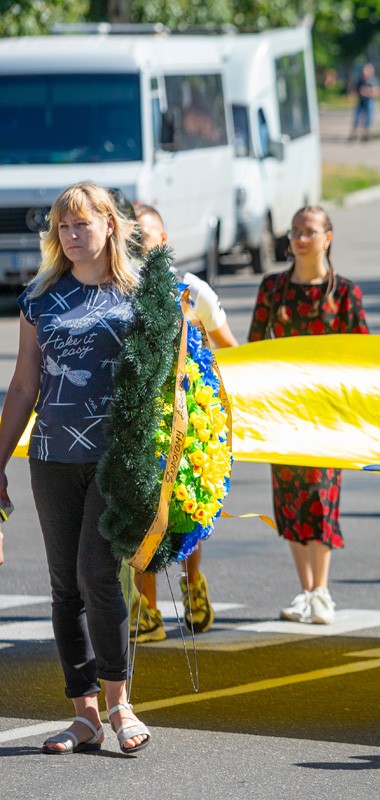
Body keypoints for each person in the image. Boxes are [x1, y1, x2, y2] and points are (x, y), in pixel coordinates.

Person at [0, 181, 151, 754]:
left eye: (82, 224)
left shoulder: (140, 296)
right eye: (64, 226)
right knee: (65, 585)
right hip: (51, 457)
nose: (72, 235)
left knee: (97, 574)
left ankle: (120, 704)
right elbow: (22, 384)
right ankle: (83, 712)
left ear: (110, 225)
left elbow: (169, 383)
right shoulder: (40, 297)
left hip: (115, 460)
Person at [248, 206, 369, 625]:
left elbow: (363, 355)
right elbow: (254, 346)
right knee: (289, 501)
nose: (300, 239)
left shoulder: (345, 293)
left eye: (309, 231)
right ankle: (306, 590)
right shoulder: (273, 288)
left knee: (321, 497)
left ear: (328, 237)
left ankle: (322, 590)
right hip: (282, 410)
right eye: (295, 231)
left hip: (327, 413)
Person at [125, 205, 238, 643]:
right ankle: (147, 607)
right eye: (132, 236)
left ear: (165, 239)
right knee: (141, 515)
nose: (140, 243)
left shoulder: (193, 290)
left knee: (187, 505)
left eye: (147, 234)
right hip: (141, 421)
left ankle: (194, 585)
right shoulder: (117, 289)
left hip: (190, 423)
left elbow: (229, 349)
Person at [348, 64, 380, 143]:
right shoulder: (360, 80)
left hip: (370, 101)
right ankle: (354, 134)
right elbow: (356, 89)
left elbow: (378, 91)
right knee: (356, 117)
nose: (364, 74)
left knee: (369, 118)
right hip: (361, 101)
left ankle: (366, 134)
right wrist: (360, 91)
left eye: (366, 72)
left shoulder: (374, 80)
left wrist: (368, 92)